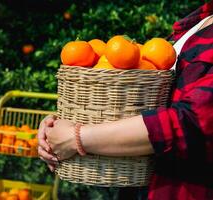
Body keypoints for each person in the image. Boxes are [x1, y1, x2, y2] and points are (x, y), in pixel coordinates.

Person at [38, 1, 213, 200]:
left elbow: (191, 122)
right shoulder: (197, 23)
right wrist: (61, 123)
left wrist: (76, 137)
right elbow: (152, 102)